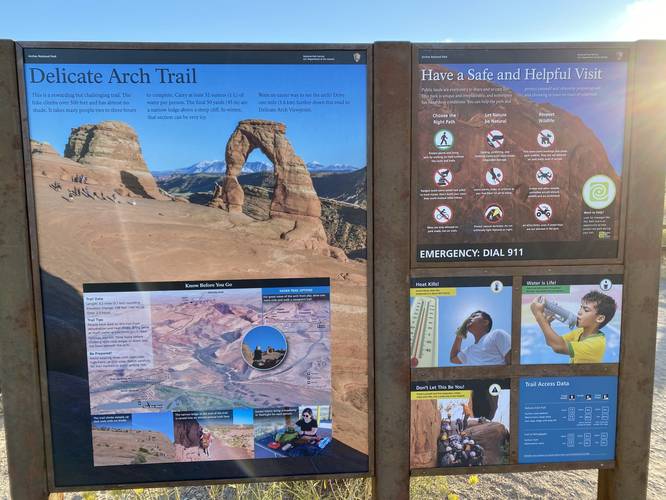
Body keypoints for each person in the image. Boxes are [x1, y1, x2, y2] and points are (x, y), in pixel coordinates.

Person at [530, 291, 617, 363]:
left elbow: (558, 347)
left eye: (586, 310)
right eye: (581, 307)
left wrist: (538, 315)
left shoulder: (595, 344)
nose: (579, 312)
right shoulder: (580, 332)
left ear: (600, 318)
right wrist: (547, 323)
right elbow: (551, 343)